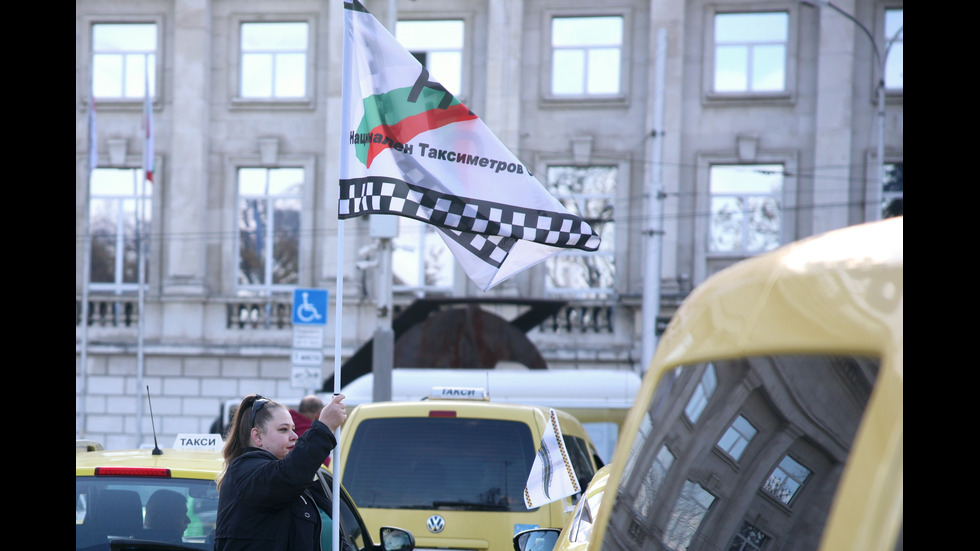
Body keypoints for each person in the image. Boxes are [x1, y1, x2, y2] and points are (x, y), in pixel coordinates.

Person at [214, 393, 347, 551]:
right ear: (257, 436)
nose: (294, 436)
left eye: (293, 429)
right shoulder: (246, 470)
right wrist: (324, 427)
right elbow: (289, 475)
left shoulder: (292, 479)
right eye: (283, 430)